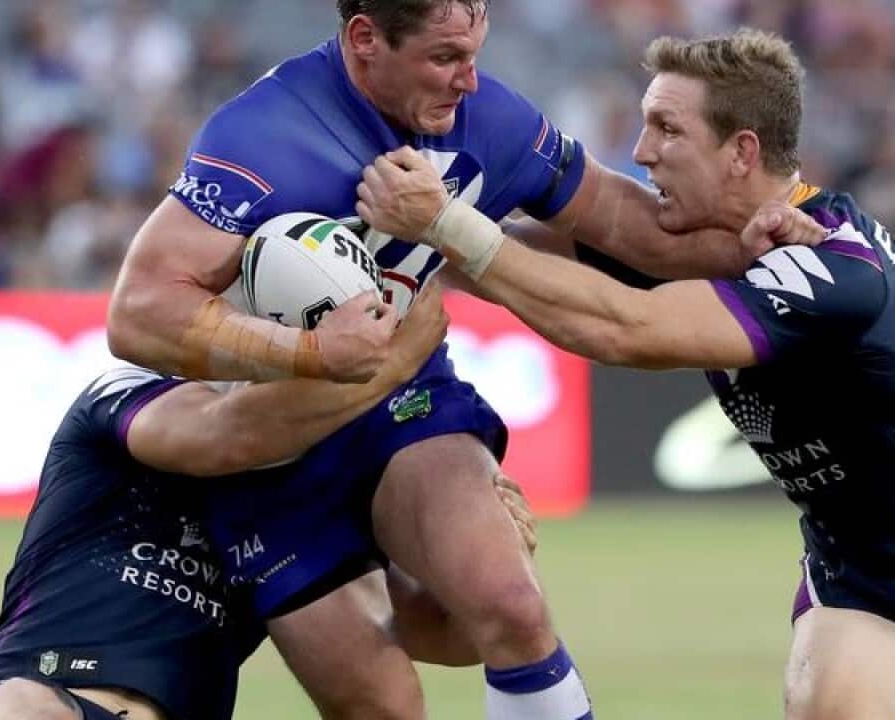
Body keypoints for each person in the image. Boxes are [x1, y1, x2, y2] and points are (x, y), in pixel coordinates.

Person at [356, 29, 895, 720]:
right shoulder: (692, 243)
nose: (642, 152)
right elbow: (513, 261)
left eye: (668, 130)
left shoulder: (834, 268)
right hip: (864, 575)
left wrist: (446, 222)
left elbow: (624, 329)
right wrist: (381, 227)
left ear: (742, 152)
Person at [107, 3, 823, 716]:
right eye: (446, 57)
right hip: (269, 454)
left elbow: (624, 225)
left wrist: (786, 231)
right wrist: (310, 350)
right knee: (382, 708)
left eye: (476, 53)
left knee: (510, 607)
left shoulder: (491, 122)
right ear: (364, 40)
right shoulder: (264, 136)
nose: (470, 81)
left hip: (405, 406)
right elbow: (138, 313)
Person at [0, 288, 535, 720]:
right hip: (45, 693)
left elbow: (439, 634)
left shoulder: (309, 496)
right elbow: (225, 436)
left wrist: (488, 566)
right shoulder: (127, 394)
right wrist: (392, 369)